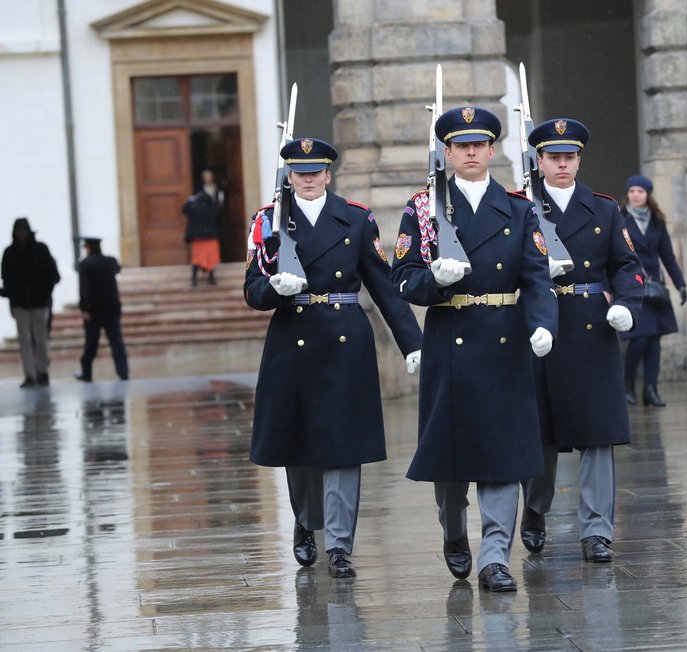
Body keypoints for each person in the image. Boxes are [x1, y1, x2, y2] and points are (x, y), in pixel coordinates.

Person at [390, 106, 558, 592]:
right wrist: (435, 282)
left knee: (503, 457)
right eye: (461, 145)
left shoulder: (520, 209)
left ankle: (495, 558)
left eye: (479, 144)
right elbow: (402, 278)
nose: (470, 151)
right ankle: (453, 529)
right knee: (452, 460)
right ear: (447, 152)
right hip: (451, 340)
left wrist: (544, 324)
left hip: (505, 340)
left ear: (491, 151)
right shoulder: (424, 208)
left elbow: (537, 278)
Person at [245, 137, 423, 579]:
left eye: (315, 171)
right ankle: (307, 522)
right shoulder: (268, 221)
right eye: (299, 171)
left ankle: (340, 546)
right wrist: (275, 290)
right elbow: (252, 290)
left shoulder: (357, 220)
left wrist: (413, 343)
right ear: (289, 175)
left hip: (344, 338)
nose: (307, 178)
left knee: (345, 449)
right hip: (293, 338)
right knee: (298, 447)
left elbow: (383, 287)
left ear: (328, 174)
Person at [517, 118, 644, 564]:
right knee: (540, 433)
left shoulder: (605, 209)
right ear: (540, 161)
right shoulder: (522, 208)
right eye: (554, 158)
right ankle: (535, 509)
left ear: (579, 160)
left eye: (569, 157)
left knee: (598, 434)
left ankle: (596, 530)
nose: (563, 164)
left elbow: (626, 263)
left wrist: (627, 301)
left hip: (592, 325)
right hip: (540, 324)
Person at [620, 175, 687, 407]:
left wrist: (681, 284)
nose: (635, 195)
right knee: (639, 339)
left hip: (655, 289)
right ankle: (628, 384)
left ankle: (651, 389)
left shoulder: (657, 222)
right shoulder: (620, 219)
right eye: (631, 191)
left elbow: (667, 256)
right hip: (632, 287)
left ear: (648, 194)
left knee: (654, 341)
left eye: (640, 191)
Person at [0, 217, 60, 388]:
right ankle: (30, 374)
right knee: (25, 340)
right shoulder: (10, 253)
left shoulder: (40, 249)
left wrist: (45, 293)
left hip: (39, 302)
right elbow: (7, 278)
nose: (21, 234)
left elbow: (51, 274)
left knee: (40, 339)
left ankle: (42, 371)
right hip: (21, 303)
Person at [74, 236, 129, 382]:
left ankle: (87, 372)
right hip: (112, 306)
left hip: (94, 309)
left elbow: (84, 288)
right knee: (116, 340)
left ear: (88, 248)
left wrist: (84, 308)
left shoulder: (85, 264)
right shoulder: (111, 261)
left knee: (91, 342)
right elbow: (117, 269)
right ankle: (123, 371)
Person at [181, 169, 224, 286]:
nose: (208, 179)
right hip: (202, 233)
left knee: (208, 257)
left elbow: (219, 212)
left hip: (208, 231)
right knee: (198, 257)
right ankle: (195, 278)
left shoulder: (217, 192)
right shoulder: (197, 194)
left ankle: (210, 277)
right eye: (206, 177)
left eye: (209, 176)